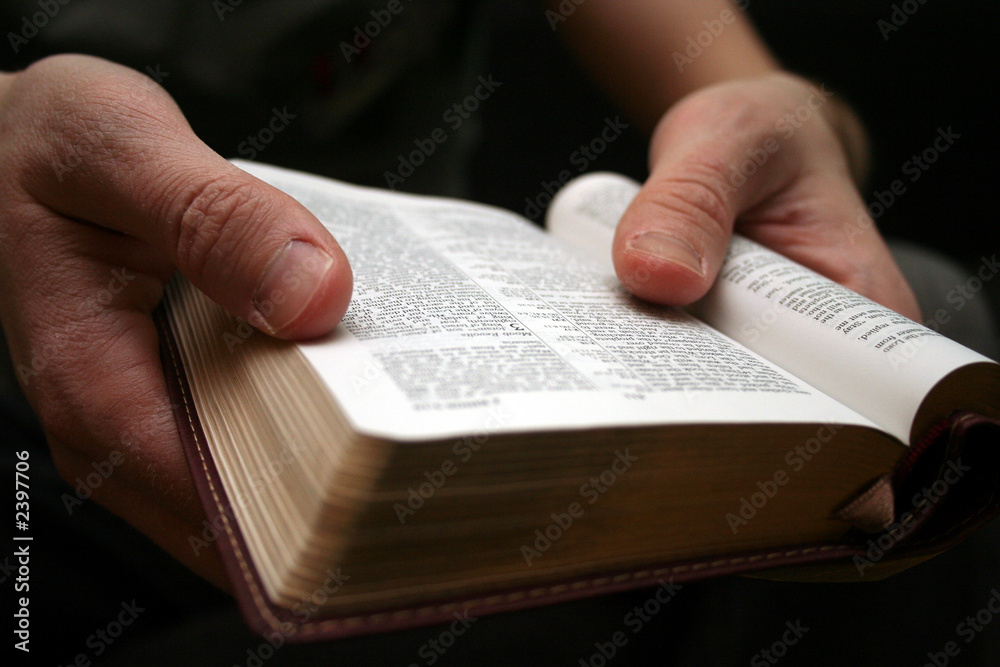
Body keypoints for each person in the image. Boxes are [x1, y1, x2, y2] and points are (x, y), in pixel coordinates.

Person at [0, 1, 993, 664]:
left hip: (435, 392)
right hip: (44, 443)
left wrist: (795, 119)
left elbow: (771, 99)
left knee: (930, 332)